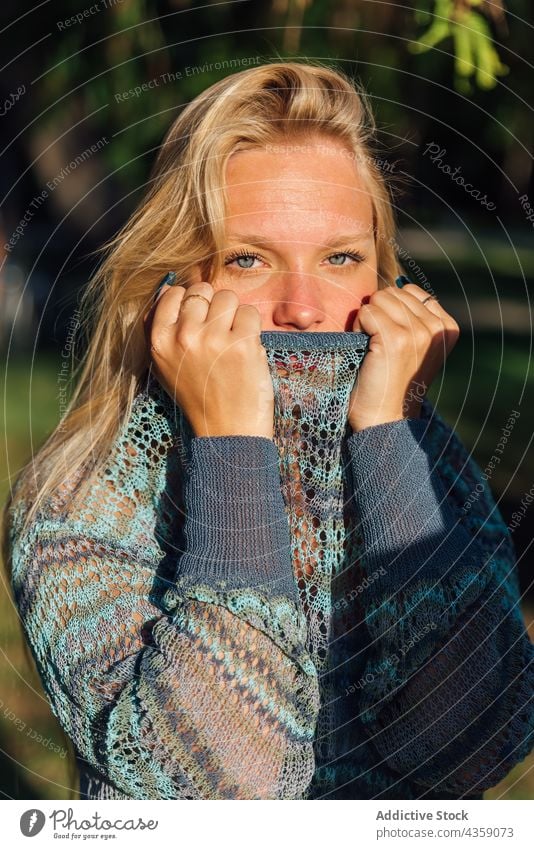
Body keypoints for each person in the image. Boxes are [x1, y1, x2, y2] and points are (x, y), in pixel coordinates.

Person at [3, 61, 533, 801]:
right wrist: (232, 450)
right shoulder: (83, 504)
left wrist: (390, 435)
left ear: (384, 281)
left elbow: (461, 745)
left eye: (341, 257)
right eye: (249, 259)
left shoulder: (431, 468)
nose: (306, 309)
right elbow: (225, 791)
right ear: (175, 285)